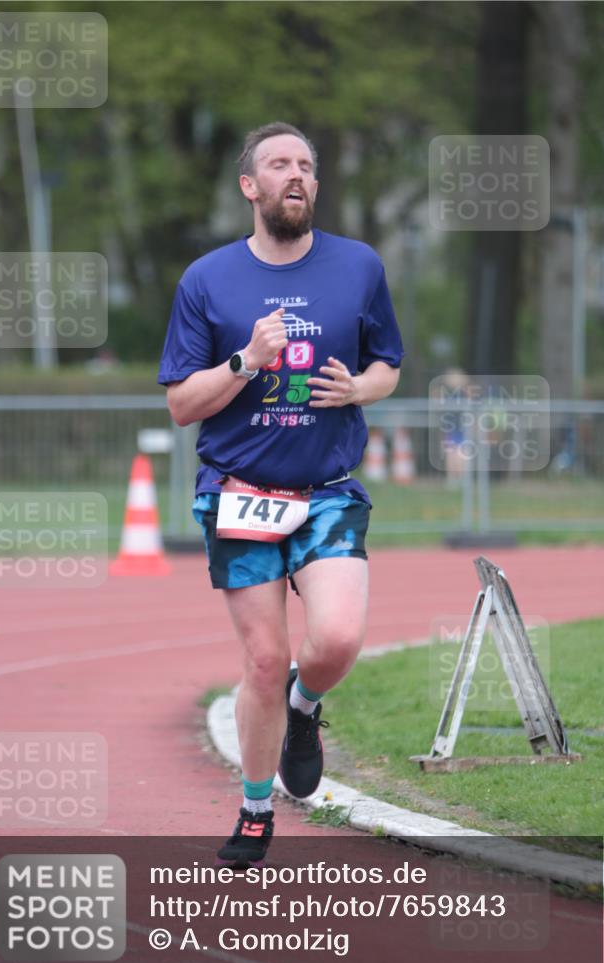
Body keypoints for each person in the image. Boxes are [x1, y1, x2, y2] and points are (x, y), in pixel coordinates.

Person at [158, 122, 403, 867]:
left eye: (305, 165)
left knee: (334, 641)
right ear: (250, 186)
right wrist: (246, 359)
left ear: (314, 185)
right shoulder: (207, 280)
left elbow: (388, 366)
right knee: (263, 659)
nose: (294, 174)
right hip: (238, 491)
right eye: (278, 164)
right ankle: (256, 809)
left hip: (327, 488)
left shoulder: (357, 267)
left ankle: (306, 705)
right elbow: (181, 404)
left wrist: (357, 388)